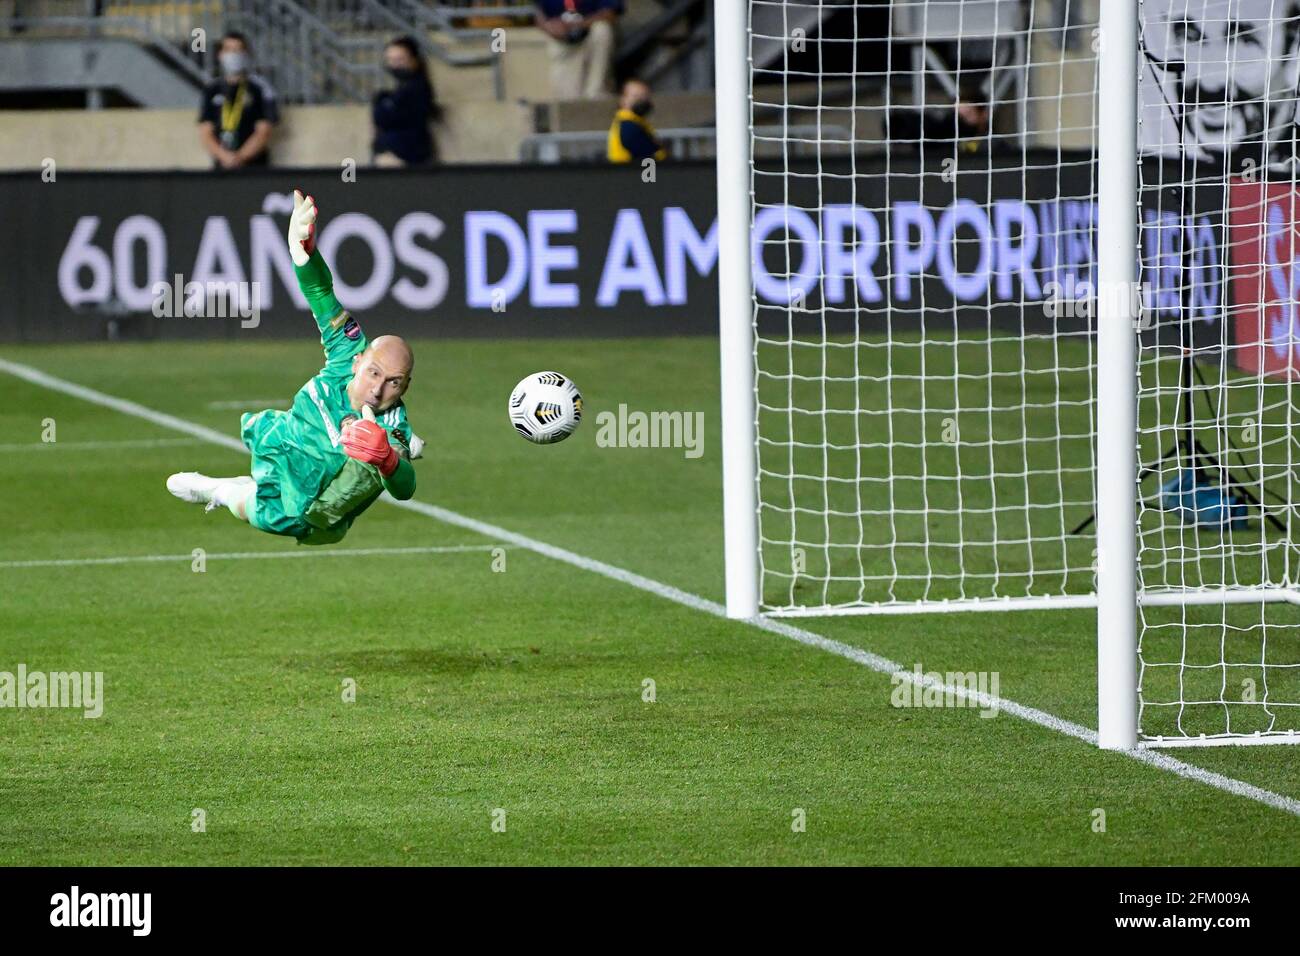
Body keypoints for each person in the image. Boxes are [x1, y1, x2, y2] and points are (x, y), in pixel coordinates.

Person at [166, 190, 419, 546]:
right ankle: (227, 490)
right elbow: (320, 292)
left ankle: (225, 491)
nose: (378, 389)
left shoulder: (392, 424)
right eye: (374, 373)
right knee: (280, 512)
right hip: (288, 441)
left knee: (305, 524)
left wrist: (390, 460)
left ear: (404, 389)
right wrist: (304, 254)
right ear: (360, 361)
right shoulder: (348, 349)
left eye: (393, 383)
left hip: (319, 501)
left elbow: (406, 488)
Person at [197, 31, 279, 170]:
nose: (233, 55)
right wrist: (224, 157)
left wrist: (239, 157)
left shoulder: (260, 88)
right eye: (228, 49)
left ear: (246, 54)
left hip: (255, 167)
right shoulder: (212, 89)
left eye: (237, 50)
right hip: (221, 167)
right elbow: (205, 131)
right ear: (220, 54)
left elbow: (264, 131)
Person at [534, 0, 621, 100]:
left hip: (591, 37)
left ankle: (597, 90)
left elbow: (610, 13)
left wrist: (577, 25)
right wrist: (549, 27)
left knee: (602, 29)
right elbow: (535, 12)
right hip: (563, 43)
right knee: (569, 99)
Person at [372, 36, 438, 167]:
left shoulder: (418, 89)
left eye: (400, 59)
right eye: (391, 60)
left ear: (414, 60)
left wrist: (384, 105)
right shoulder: (396, 93)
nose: (395, 65)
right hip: (389, 154)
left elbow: (385, 117)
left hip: (407, 158)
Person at [607, 78, 666, 163]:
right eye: (636, 96)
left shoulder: (636, 123)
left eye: (645, 96)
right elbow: (648, 154)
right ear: (623, 100)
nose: (642, 100)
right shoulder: (628, 126)